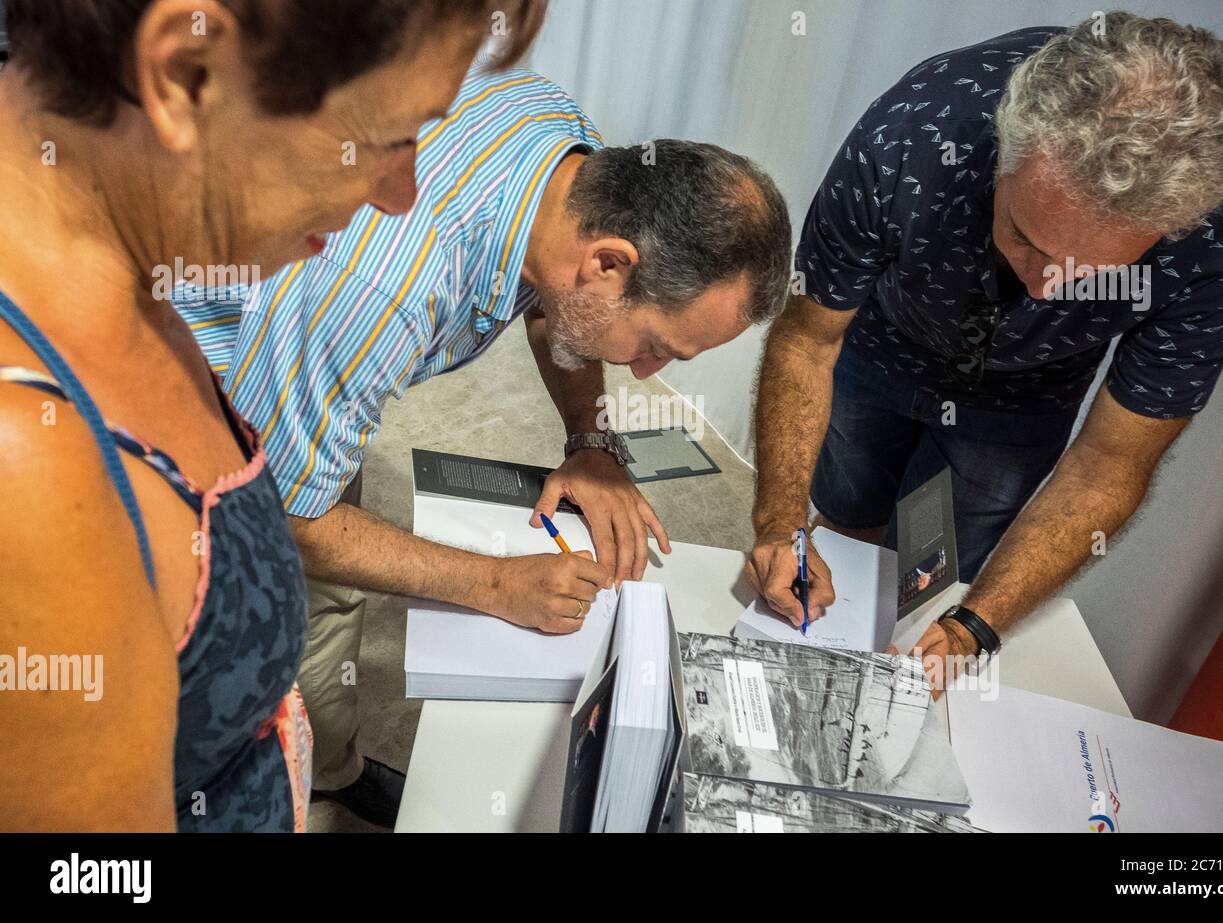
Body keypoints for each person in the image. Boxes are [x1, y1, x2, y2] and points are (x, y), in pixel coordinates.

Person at [181, 66, 792, 827]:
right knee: (230, 633)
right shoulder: (387, 284)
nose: (643, 371)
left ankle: (329, 772)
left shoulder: (575, 163)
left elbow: (551, 302)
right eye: (656, 345)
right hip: (192, 380)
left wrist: (593, 440)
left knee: (328, 604)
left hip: (301, 351)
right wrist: (494, 584)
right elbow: (285, 513)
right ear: (609, 263)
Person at [0, 0, 541, 832]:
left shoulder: (126, 250)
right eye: (391, 135)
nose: (401, 194)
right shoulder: (27, 473)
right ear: (186, 75)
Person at [747, 13, 1223, 687]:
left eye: (1090, 270)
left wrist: (974, 625)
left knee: (929, 579)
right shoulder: (915, 130)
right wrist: (779, 529)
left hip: (1024, 395)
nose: (1042, 283)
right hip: (886, 336)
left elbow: (1108, 464)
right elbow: (807, 338)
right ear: (1005, 149)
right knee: (846, 517)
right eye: (1025, 235)